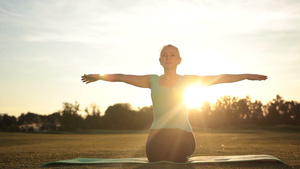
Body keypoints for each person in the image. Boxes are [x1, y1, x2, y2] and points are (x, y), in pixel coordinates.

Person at [81, 44, 267, 163]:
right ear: (160, 60)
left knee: (174, 159)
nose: (168, 57)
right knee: (156, 160)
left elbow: (219, 78)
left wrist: (246, 76)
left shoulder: (187, 80)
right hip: (157, 135)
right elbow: (122, 77)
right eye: (164, 55)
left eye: (172, 55)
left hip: (182, 135)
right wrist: (99, 76)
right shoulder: (151, 80)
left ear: (179, 60)